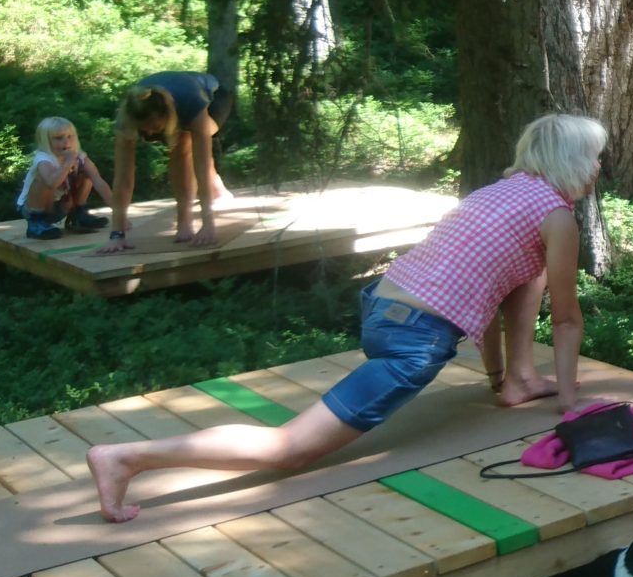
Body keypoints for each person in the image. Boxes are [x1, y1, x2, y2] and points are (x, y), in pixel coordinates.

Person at [87, 113, 605, 522]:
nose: (599, 167)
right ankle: (128, 457)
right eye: (596, 157)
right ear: (573, 162)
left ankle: (515, 380)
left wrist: (501, 382)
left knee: (527, 271)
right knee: (289, 447)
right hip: (415, 339)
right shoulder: (555, 216)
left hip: (383, 307)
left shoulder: (496, 195)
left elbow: (494, 287)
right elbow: (565, 320)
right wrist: (568, 404)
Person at [101, 72, 234, 252]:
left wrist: (208, 224)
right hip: (174, 102)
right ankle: (217, 186)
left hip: (214, 98)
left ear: (168, 114)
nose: (149, 134)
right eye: (143, 129)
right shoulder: (127, 118)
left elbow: (200, 165)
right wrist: (116, 234)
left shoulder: (190, 104)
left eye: (154, 128)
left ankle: (185, 218)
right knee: (181, 143)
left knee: (185, 144)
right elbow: (123, 179)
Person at [15, 116, 115, 240]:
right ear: (46, 141)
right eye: (59, 138)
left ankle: (78, 215)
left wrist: (118, 212)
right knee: (42, 179)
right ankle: (36, 225)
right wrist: (68, 163)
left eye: (70, 136)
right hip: (34, 209)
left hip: (62, 206)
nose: (66, 142)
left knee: (87, 174)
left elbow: (98, 181)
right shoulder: (43, 158)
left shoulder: (79, 156)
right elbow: (51, 183)